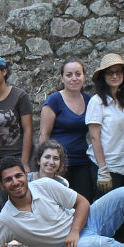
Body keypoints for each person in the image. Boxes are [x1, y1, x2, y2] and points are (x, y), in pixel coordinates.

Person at [0, 54, 33, 211]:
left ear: (3, 71)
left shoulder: (19, 96)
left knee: (25, 203)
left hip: (18, 157)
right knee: (2, 207)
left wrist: (24, 162)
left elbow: (28, 129)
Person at [38, 58, 93, 200]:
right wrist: (42, 166)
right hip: (58, 163)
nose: (74, 78)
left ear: (84, 76)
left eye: (78, 74)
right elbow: (44, 136)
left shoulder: (88, 100)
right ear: (62, 78)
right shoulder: (54, 101)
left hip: (82, 161)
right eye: (69, 75)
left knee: (84, 202)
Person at [86, 53, 124, 195]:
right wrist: (103, 170)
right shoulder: (97, 102)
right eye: (110, 73)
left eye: (118, 72)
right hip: (107, 167)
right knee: (106, 211)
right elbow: (94, 137)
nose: (114, 76)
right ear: (103, 76)